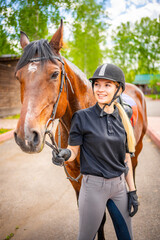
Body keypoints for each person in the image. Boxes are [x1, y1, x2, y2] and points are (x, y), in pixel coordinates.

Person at [52, 63, 139, 240]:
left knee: (126, 237)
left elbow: (126, 158)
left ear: (118, 89)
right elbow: (73, 150)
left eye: (107, 85)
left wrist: (132, 191)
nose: (100, 89)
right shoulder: (81, 117)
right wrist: (64, 155)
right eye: (97, 84)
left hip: (119, 188)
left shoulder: (122, 118)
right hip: (93, 188)